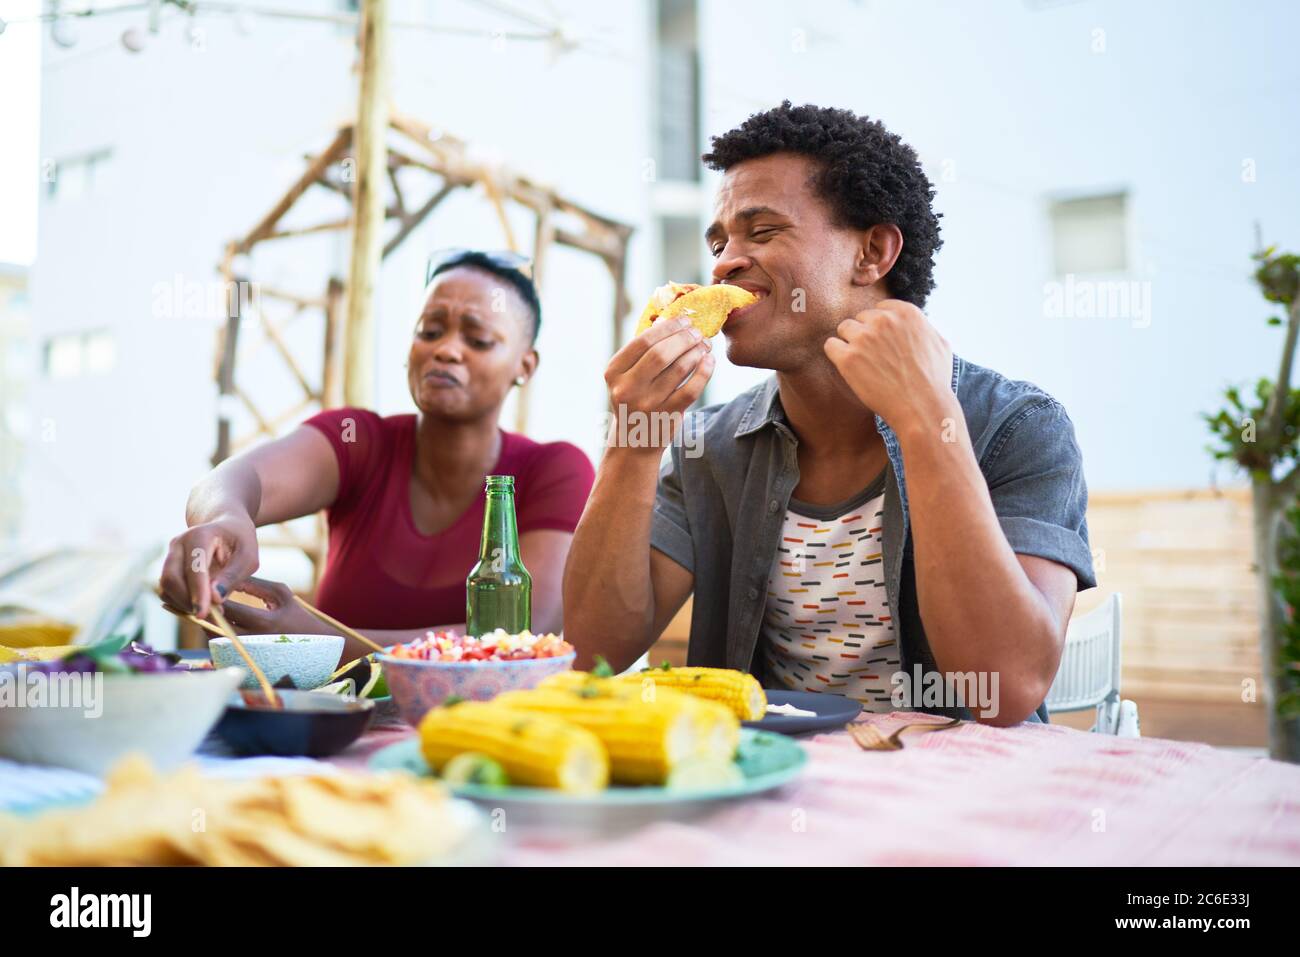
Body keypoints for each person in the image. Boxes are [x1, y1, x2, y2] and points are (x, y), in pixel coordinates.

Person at [563, 102, 1095, 726]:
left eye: (761, 232)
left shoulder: (1019, 428)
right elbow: (592, 653)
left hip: (961, 801)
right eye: (720, 241)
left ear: (871, 252)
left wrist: (926, 420)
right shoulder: (709, 447)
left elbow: (1005, 690)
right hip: (767, 788)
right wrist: (632, 441)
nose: (723, 262)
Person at [160, 249, 594, 661]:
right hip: (332, 728)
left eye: (478, 339)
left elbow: (525, 634)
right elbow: (228, 482)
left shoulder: (554, 471)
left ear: (525, 366)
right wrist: (226, 518)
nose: (445, 349)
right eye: (429, 331)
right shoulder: (358, 441)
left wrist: (325, 641)